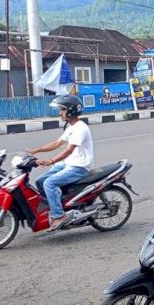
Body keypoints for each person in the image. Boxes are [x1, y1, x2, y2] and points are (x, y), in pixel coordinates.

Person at [28, 95, 94, 231]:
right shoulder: (71, 127)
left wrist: (51, 161)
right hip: (68, 163)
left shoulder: (80, 128)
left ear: (71, 111)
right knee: (40, 180)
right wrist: (36, 150)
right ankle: (56, 204)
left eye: (63, 110)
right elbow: (57, 143)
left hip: (79, 167)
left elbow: (69, 150)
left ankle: (59, 215)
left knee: (49, 183)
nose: (60, 113)